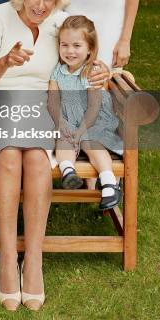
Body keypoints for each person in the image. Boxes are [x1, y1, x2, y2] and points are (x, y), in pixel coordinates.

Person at [0, 0, 108, 312]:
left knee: (34, 157)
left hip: (46, 105)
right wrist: (5, 62)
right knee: (9, 155)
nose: (40, 6)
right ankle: (6, 257)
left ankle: (33, 258)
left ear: (59, 0)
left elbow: (90, 58)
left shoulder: (63, 24)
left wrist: (102, 71)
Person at [49, 15, 123, 210]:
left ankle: (108, 183)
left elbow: (94, 107)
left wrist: (81, 131)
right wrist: (61, 124)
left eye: (76, 45)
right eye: (64, 45)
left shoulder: (91, 71)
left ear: (90, 48)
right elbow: (53, 101)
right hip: (67, 120)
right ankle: (69, 172)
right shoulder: (57, 71)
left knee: (92, 143)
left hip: (92, 121)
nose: (69, 51)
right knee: (62, 140)